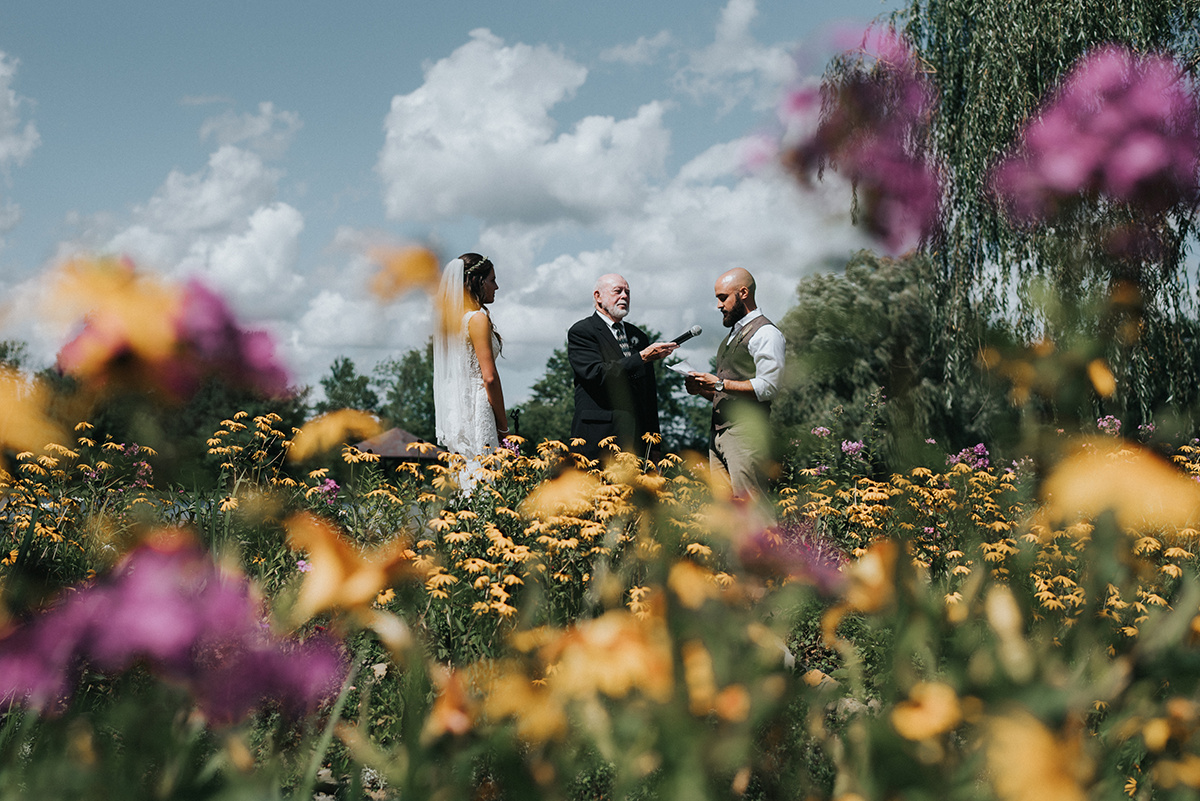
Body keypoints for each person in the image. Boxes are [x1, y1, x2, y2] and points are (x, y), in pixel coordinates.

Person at [685, 267, 784, 499]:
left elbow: (769, 387)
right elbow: (727, 391)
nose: (719, 305)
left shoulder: (766, 333)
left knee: (752, 507)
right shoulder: (731, 335)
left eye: (723, 298)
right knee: (727, 514)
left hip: (746, 435)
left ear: (743, 293)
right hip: (718, 434)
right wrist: (703, 389)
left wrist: (718, 384)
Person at [568, 274, 677, 462]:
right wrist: (641, 357)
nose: (624, 296)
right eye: (618, 291)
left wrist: (655, 445)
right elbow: (596, 375)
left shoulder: (639, 336)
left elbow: (649, 394)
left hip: (636, 442)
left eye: (627, 292)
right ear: (598, 296)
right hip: (597, 440)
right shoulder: (583, 332)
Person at [433, 253, 510, 461]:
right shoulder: (477, 319)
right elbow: (489, 377)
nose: (497, 287)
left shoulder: (452, 323)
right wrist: (504, 429)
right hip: (479, 408)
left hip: (457, 409)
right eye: (492, 280)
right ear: (478, 281)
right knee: (485, 472)